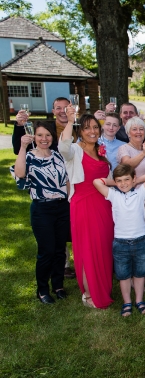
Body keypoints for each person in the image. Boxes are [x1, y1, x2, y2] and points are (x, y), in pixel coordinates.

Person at [13, 97, 77, 279]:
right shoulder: (40, 140)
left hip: (65, 198)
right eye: (58, 108)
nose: (44, 138)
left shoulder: (74, 133)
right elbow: (20, 165)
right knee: (48, 248)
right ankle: (48, 284)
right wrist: (20, 131)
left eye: (65, 107)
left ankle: (59, 282)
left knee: (61, 243)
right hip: (43, 202)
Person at [59, 112, 114, 309]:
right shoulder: (74, 150)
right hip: (83, 205)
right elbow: (62, 147)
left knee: (103, 247)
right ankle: (89, 292)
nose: (92, 131)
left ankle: (103, 287)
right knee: (88, 249)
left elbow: (107, 179)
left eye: (95, 127)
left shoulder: (101, 150)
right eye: (87, 127)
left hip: (104, 205)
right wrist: (70, 121)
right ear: (80, 131)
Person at [11, 121, 70, 304]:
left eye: (48, 135)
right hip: (42, 209)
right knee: (46, 251)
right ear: (34, 137)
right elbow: (20, 174)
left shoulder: (58, 155)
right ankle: (42, 289)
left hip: (62, 207)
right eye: (40, 135)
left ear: (52, 137)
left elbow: (67, 180)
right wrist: (22, 147)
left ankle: (58, 286)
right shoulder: (29, 156)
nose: (44, 139)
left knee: (60, 250)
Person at [93, 166, 145, 316]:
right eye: (119, 181)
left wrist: (135, 181)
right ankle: (127, 302)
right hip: (121, 243)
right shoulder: (113, 195)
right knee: (123, 275)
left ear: (133, 179)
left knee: (140, 274)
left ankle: (139, 301)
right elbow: (96, 182)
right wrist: (115, 183)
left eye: (126, 180)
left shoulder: (140, 193)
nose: (123, 184)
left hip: (140, 241)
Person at [117, 117, 145, 244]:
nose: (138, 132)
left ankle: (144, 254)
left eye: (141, 129)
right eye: (134, 129)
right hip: (134, 197)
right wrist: (143, 152)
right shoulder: (124, 148)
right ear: (128, 133)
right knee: (136, 230)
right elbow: (128, 165)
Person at [12, 97, 77, 155]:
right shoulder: (46, 130)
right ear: (53, 112)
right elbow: (18, 150)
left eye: (66, 108)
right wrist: (20, 125)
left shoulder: (79, 128)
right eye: (58, 108)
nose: (62, 111)